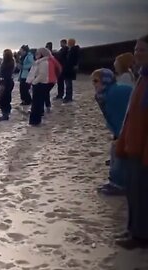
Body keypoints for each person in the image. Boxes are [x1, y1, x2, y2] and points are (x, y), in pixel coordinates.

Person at [115, 35, 148, 250]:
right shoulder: (142, 76)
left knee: (141, 192)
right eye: (136, 50)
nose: (137, 53)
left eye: (142, 50)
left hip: (142, 147)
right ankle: (133, 229)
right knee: (133, 190)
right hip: (133, 143)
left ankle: (140, 236)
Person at [91, 69, 133, 196]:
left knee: (119, 152)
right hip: (124, 127)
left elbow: (121, 116)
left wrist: (121, 135)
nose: (94, 84)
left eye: (96, 81)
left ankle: (119, 184)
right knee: (116, 151)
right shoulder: (105, 94)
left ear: (106, 80)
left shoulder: (113, 94)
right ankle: (116, 181)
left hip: (130, 126)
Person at [26, 48, 60, 126]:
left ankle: (35, 121)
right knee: (36, 103)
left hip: (40, 84)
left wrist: (34, 82)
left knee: (37, 103)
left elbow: (42, 75)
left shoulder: (44, 62)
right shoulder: (41, 62)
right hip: (39, 83)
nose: (36, 54)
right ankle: (35, 120)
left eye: (38, 53)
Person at [0, 49, 16, 121]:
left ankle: (5, 115)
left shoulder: (6, 64)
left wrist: (0, 84)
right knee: (6, 99)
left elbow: (3, 75)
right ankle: (6, 113)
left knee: (2, 100)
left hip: (4, 83)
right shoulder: (11, 62)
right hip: (9, 83)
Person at [63, 38, 80, 103]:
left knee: (68, 84)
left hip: (70, 69)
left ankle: (68, 97)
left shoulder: (74, 50)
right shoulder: (70, 50)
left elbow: (75, 59)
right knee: (68, 83)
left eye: (69, 42)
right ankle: (68, 96)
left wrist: (75, 66)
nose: (68, 43)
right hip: (68, 69)